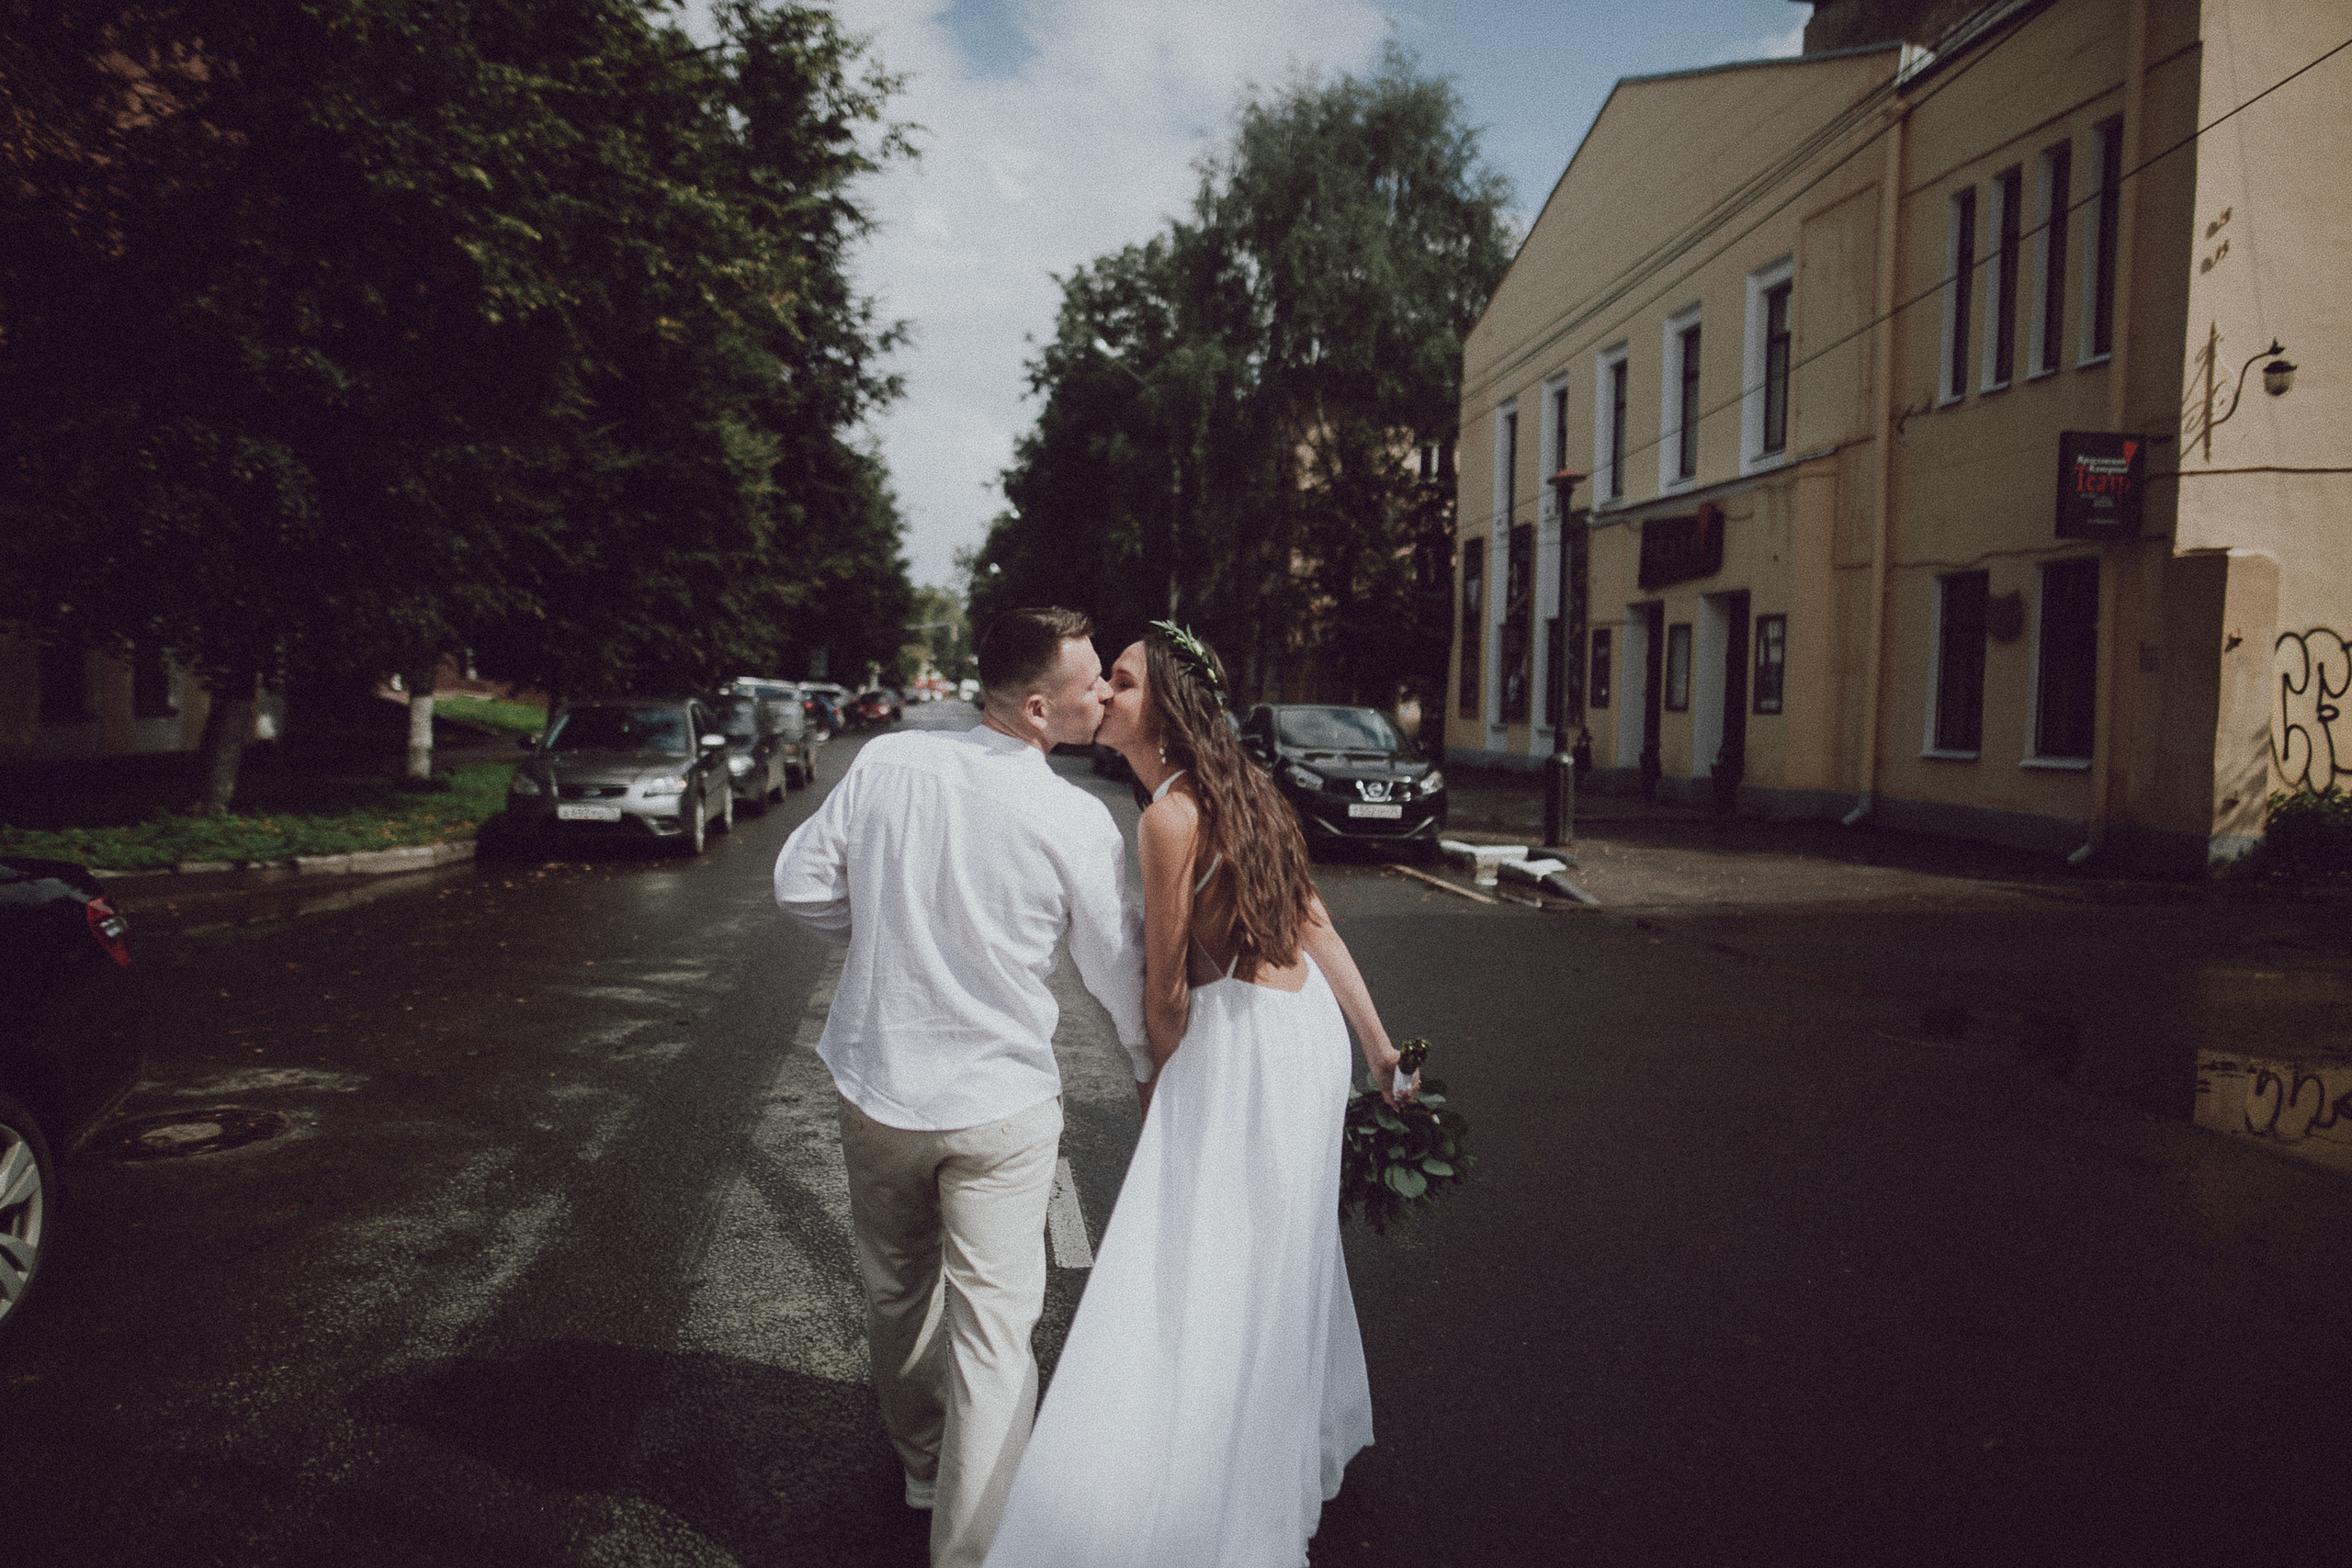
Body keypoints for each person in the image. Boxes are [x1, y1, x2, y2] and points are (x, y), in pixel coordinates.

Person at [982, 623, 1410, 1568]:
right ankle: (1273, 1446)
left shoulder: (1166, 817)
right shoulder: (1247, 791)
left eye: (1123, 683)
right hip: (1304, 1040)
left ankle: (1203, 1473)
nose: (1106, 696)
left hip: (1239, 1048)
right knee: (1279, 1250)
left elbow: (1166, 987)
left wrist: (1158, 1095)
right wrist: (1376, 1050)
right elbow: (1318, 924)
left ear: (1165, 710)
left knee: (1197, 1251)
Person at [773, 607, 1149, 1568]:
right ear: (1036, 708)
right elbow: (1115, 970)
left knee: (897, 1294)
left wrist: (882, 944)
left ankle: (924, 1469)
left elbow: (799, 885)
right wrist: (1155, 1070)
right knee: (993, 1331)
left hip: (878, 1087)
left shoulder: (890, 764)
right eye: (1092, 681)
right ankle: (974, 1551)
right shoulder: (1074, 819)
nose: (1106, 691)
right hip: (1000, 1108)